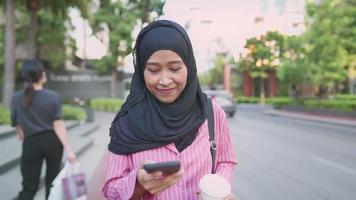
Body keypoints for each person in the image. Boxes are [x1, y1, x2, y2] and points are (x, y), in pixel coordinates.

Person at [102, 20, 237, 200]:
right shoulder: (127, 122)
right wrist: (136, 184)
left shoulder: (212, 114)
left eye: (174, 68)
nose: (165, 80)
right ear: (141, 71)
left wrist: (218, 187)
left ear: (189, 66)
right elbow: (110, 188)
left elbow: (225, 161)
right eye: (153, 70)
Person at [10, 60, 77, 200]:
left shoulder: (16, 98)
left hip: (31, 142)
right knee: (52, 184)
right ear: (41, 75)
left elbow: (18, 125)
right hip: (52, 142)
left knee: (29, 187)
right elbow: (58, 125)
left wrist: (21, 132)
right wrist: (69, 150)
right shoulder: (53, 96)